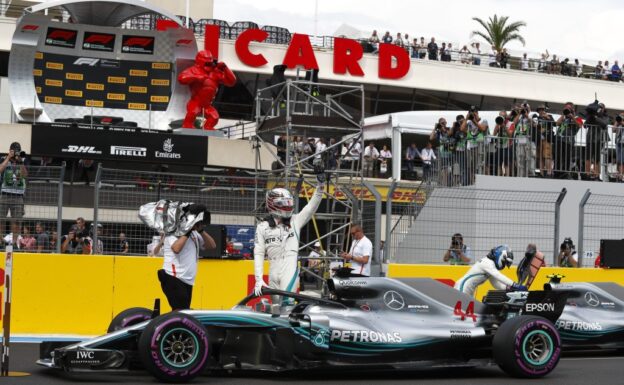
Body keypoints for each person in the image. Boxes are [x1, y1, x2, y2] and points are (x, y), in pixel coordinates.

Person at [253, 168, 326, 300]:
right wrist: (258, 279)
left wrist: (320, 185)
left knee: (287, 306)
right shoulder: (262, 227)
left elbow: (311, 207)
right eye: (283, 203)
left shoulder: (295, 221)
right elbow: (258, 253)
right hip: (272, 270)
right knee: (274, 308)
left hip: (289, 269)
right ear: (272, 204)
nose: (287, 206)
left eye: (288, 202)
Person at [159, 204, 216, 310]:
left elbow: (212, 245)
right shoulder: (173, 232)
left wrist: (201, 231)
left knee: (182, 311)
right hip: (174, 277)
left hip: (187, 280)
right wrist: (187, 231)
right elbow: (176, 248)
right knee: (181, 312)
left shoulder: (195, 234)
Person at [454, 245, 526, 297]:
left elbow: (496, 284)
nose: (504, 265)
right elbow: (498, 276)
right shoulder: (487, 263)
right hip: (463, 287)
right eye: (505, 262)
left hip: (468, 288)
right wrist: (515, 285)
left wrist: (509, 288)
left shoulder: (490, 266)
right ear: (501, 256)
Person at [0, 142, 28, 246]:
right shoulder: (4, 158)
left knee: (16, 221)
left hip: (18, 195)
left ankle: (15, 243)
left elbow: (25, 175)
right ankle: (0, 241)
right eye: (14, 150)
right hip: (5, 193)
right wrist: (8, 158)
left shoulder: (23, 159)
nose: (16, 153)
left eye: (17, 150)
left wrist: (20, 162)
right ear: (10, 150)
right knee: (1, 219)